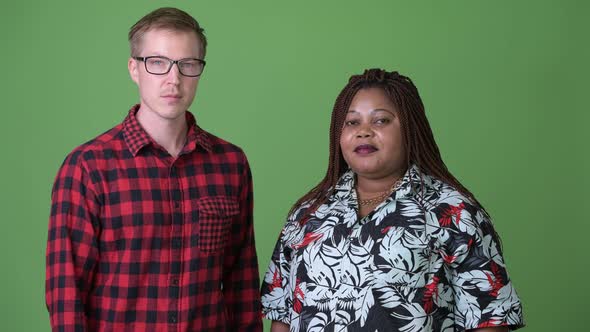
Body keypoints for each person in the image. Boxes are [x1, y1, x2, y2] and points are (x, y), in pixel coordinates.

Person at [45, 7, 262, 331]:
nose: (173, 80)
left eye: (187, 64)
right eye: (157, 63)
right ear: (134, 68)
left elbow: (241, 282)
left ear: (199, 70)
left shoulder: (230, 164)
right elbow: (67, 294)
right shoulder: (89, 167)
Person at [261, 69, 524, 331]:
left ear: (410, 128)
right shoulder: (308, 214)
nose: (364, 131)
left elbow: (489, 319)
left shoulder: (453, 212)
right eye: (352, 122)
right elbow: (282, 315)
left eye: (381, 121)